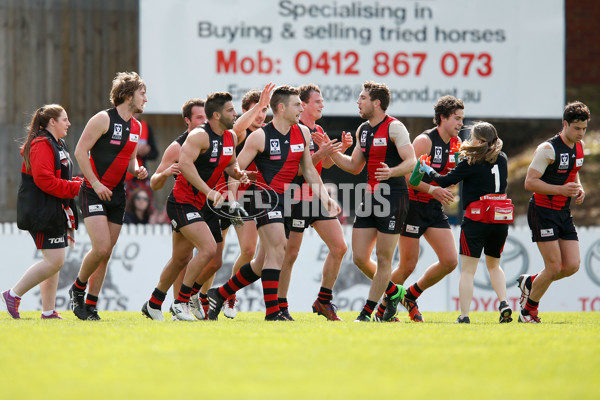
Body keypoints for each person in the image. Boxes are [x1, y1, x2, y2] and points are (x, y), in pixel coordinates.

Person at [207, 85, 341, 321]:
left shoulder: (303, 133)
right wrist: (231, 199)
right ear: (281, 108)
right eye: (297, 104)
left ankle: (220, 293)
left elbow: (309, 171)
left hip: (287, 200)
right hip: (264, 199)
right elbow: (234, 168)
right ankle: (273, 313)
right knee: (279, 249)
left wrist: (326, 198)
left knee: (261, 263)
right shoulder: (260, 136)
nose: (301, 108)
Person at [142, 87, 272, 321]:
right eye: (231, 110)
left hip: (203, 204)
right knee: (209, 249)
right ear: (217, 116)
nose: (234, 114)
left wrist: (239, 173)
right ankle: (181, 302)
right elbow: (186, 166)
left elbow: (231, 165)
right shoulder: (198, 136)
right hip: (183, 202)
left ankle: (153, 303)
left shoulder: (230, 137)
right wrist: (210, 192)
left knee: (182, 258)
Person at [328, 80, 416, 322]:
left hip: (394, 197)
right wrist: (330, 152)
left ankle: (366, 314)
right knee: (358, 258)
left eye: (363, 98)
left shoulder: (395, 128)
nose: (358, 102)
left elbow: (412, 161)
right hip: (370, 198)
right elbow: (354, 166)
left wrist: (392, 172)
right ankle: (394, 291)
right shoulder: (363, 130)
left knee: (384, 258)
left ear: (377, 103)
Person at [69, 71, 149, 321]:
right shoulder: (103, 119)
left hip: (116, 194)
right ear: (127, 95)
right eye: (142, 93)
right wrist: (94, 182)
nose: (145, 99)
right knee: (101, 247)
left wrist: (137, 169)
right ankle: (77, 289)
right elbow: (80, 151)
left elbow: (131, 160)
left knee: (106, 252)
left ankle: (91, 306)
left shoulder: (136, 126)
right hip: (93, 191)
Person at [419, 122, 513, 323]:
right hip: (499, 218)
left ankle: (464, 315)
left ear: (479, 141)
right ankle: (504, 302)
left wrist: (427, 168)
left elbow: (444, 181)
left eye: (472, 138)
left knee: (468, 271)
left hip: (477, 218)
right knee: (494, 265)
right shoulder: (502, 158)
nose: (469, 141)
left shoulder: (471, 162)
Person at [382, 95, 464, 322]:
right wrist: (433, 190)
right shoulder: (425, 141)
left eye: (462, 119)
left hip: (433, 207)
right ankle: (382, 310)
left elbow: (446, 177)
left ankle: (410, 295)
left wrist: (450, 181)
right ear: (442, 118)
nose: (460, 123)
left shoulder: (456, 145)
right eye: (456, 119)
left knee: (449, 261)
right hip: (413, 206)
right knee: (408, 265)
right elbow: (408, 176)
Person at [2, 105, 82, 319]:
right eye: (64, 119)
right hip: (41, 210)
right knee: (55, 261)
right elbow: (45, 182)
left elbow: (59, 177)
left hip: (53, 208)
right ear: (52, 122)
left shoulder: (57, 143)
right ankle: (13, 294)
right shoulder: (41, 145)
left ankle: (48, 312)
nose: (69, 123)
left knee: (53, 261)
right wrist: (76, 187)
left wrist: (78, 182)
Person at [277, 83, 349, 321]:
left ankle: (324, 300)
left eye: (322, 101)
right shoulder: (293, 129)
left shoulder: (318, 129)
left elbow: (323, 165)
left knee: (339, 247)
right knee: (290, 254)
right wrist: (321, 152)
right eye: (317, 101)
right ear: (304, 104)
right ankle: (280, 306)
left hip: (316, 196)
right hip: (296, 197)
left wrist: (336, 150)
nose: (322, 105)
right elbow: (298, 169)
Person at [519, 101, 590, 323]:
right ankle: (527, 312)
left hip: (562, 212)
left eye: (584, 128)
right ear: (565, 124)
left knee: (571, 266)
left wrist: (579, 189)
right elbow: (529, 183)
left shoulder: (579, 147)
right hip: (542, 210)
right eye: (577, 128)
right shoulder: (547, 149)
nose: (581, 133)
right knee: (553, 267)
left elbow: (573, 172)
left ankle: (530, 283)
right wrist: (560, 189)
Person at [213, 88, 270, 319]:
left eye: (265, 109)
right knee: (216, 255)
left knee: (249, 252)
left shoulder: (268, 134)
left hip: (257, 200)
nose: (261, 115)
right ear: (245, 111)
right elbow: (236, 129)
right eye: (256, 109)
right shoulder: (239, 133)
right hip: (230, 198)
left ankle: (228, 295)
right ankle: (197, 297)